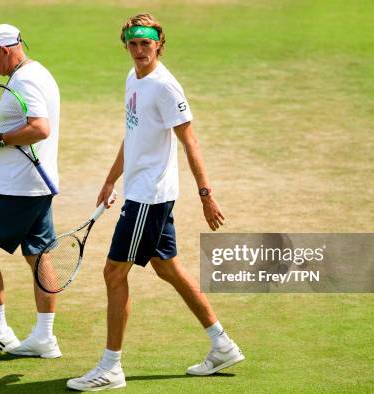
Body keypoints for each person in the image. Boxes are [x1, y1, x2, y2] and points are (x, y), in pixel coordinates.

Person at [67, 13, 244, 391]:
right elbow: (133, 134)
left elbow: (190, 141)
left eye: (146, 43)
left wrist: (206, 195)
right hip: (141, 191)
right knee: (168, 269)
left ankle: (111, 367)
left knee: (114, 273)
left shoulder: (166, 88)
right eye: (132, 43)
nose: (139, 50)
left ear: (159, 44)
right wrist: (111, 177)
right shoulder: (132, 78)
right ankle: (222, 344)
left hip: (149, 197)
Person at [0, 24, 62, 361]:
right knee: (38, 255)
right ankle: (45, 337)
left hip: (16, 190)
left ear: (4, 49)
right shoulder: (37, 73)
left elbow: (39, 128)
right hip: (35, 186)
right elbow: (16, 125)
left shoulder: (25, 80)